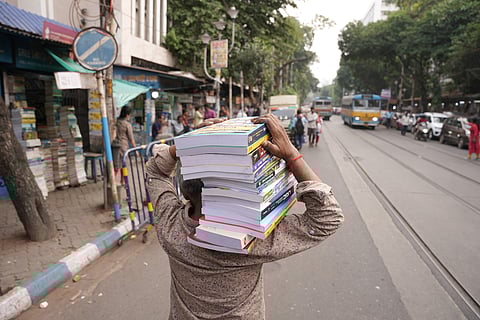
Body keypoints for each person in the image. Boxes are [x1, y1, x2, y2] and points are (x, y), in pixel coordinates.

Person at [145, 114, 344, 320]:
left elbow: (155, 171)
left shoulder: (170, 226)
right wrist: (291, 154)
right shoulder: (252, 237)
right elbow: (327, 218)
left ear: (186, 191)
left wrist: (190, 145)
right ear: (242, 189)